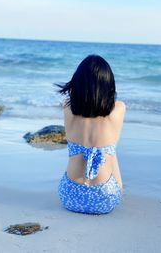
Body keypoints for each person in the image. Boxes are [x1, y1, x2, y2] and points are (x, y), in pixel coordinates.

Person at [56, 55, 126, 214]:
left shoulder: (67, 107)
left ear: (77, 82)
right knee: (109, 151)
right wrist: (119, 189)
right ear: (109, 84)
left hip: (69, 197)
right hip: (105, 199)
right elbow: (112, 154)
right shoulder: (119, 109)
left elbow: (73, 100)